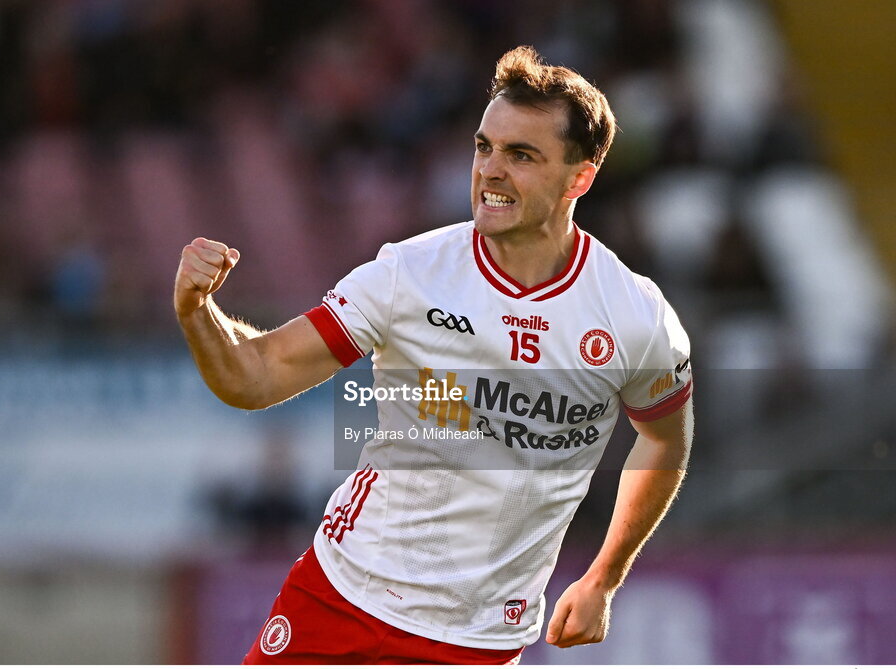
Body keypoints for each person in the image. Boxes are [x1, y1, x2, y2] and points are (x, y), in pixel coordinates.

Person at [175, 45, 693, 665]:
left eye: (521, 155)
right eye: (484, 147)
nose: (491, 170)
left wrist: (605, 576)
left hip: (478, 640)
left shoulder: (632, 314)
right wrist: (197, 311)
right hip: (342, 598)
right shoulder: (411, 274)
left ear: (579, 177)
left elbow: (664, 440)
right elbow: (252, 378)